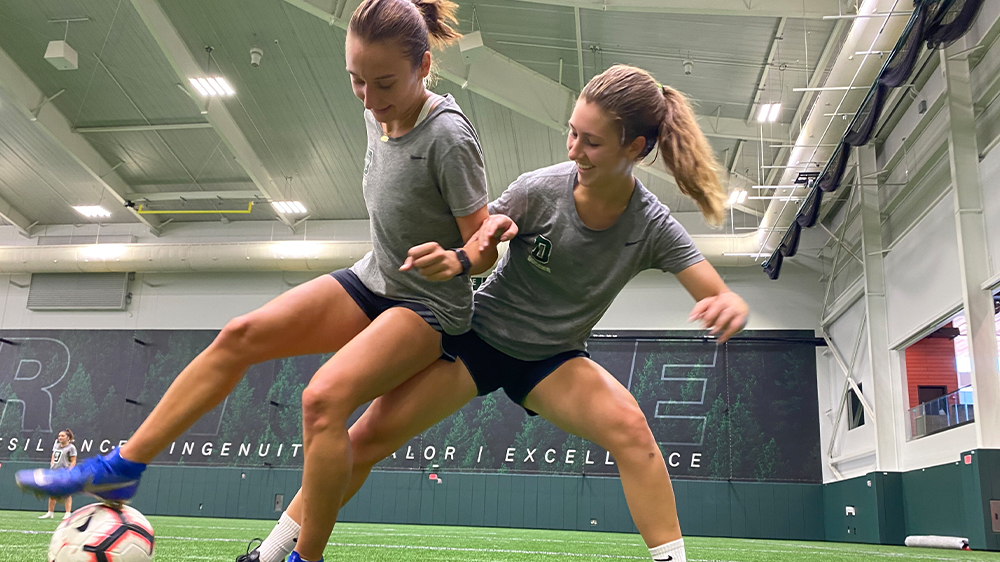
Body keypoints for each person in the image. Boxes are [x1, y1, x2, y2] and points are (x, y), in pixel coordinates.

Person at [18, 1, 504, 556]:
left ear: (422, 66)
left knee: (321, 400)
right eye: (356, 81)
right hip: (375, 280)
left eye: (385, 83)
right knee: (238, 336)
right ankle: (122, 467)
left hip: (430, 307)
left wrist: (462, 260)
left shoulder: (449, 138)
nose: (370, 98)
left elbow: (481, 247)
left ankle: (303, 555)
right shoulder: (376, 107)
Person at [242, 64, 748, 562]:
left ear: (635, 148)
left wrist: (727, 303)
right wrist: (473, 249)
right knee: (364, 441)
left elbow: (712, 287)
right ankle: (271, 554)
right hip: (477, 342)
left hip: (553, 360)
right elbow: (485, 236)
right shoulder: (541, 188)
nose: (574, 150)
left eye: (591, 142)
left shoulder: (652, 225)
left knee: (632, 432)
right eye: (572, 133)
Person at [37, 429, 77, 520]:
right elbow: (54, 455)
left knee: (67, 492)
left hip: (64, 471)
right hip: (54, 471)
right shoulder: (56, 445)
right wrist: (52, 464)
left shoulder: (71, 447)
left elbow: (73, 461)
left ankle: (67, 513)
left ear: (68, 438)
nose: (60, 437)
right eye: (59, 436)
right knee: (52, 492)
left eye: (62, 436)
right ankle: (50, 512)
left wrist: (69, 471)